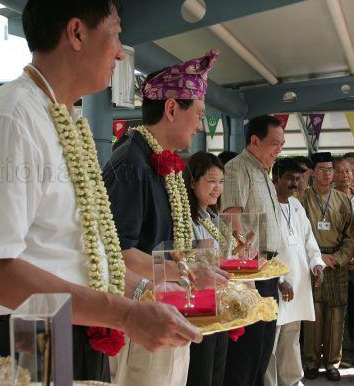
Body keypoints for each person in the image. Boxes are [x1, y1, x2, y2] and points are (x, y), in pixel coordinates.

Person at [0, 0, 201, 382]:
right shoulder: (10, 117)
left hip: (79, 332)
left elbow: (75, 256)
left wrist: (144, 298)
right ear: (77, 32)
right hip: (32, 339)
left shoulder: (65, 118)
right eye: (115, 35)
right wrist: (126, 313)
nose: (121, 54)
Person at [104, 49, 224, 385]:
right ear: (172, 108)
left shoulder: (164, 163)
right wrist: (188, 272)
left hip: (167, 307)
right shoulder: (130, 163)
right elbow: (118, 254)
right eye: (198, 113)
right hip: (140, 318)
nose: (200, 124)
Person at [220, 114, 286, 386]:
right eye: (274, 143)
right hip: (249, 272)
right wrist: (244, 264)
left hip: (267, 269)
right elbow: (232, 218)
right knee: (247, 351)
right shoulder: (238, 167)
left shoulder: (263, 171)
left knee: (263, 347)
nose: (278, 150)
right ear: (254, 141)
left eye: (282, 144)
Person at [265, 157, 325, 386]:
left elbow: (309, 239)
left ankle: (291, 381)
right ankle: (269, 383)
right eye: (290, 178)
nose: (295, 184)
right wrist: (279, 279)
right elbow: (264, 249)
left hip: (299, 282)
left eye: (299, 179)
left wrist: (316, 264)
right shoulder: (267, 205)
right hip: (278, 284)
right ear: (276, 177)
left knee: (292, 337)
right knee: (271, 340)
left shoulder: (297, 205)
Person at [301, 152, 354, 382]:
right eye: (322, 169)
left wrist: (339, 258)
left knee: (336, 313)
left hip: (336, 263)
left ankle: (333, 362)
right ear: (313, 172)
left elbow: (351, 236)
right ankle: (312, 361)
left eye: (330, 169)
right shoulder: (300, 199)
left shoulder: (342, 199)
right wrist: (315, 258)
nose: (327, 174)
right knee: (314, 314)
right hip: (311, 263)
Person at [183, 151, 229, 386]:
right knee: (201, 374)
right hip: (197, 310)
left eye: (221, 182)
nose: (217, 188)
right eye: (211, 181)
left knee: (216, 374)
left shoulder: (212, 217)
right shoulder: (184, 220)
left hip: (218, 306)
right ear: (192, 182)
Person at [333, 156, 354, 365]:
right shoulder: (327, 198)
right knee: (339, 305)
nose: (345, 175)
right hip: (336, 256)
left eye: (349, 171)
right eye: (340, 171)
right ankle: (341, 349)